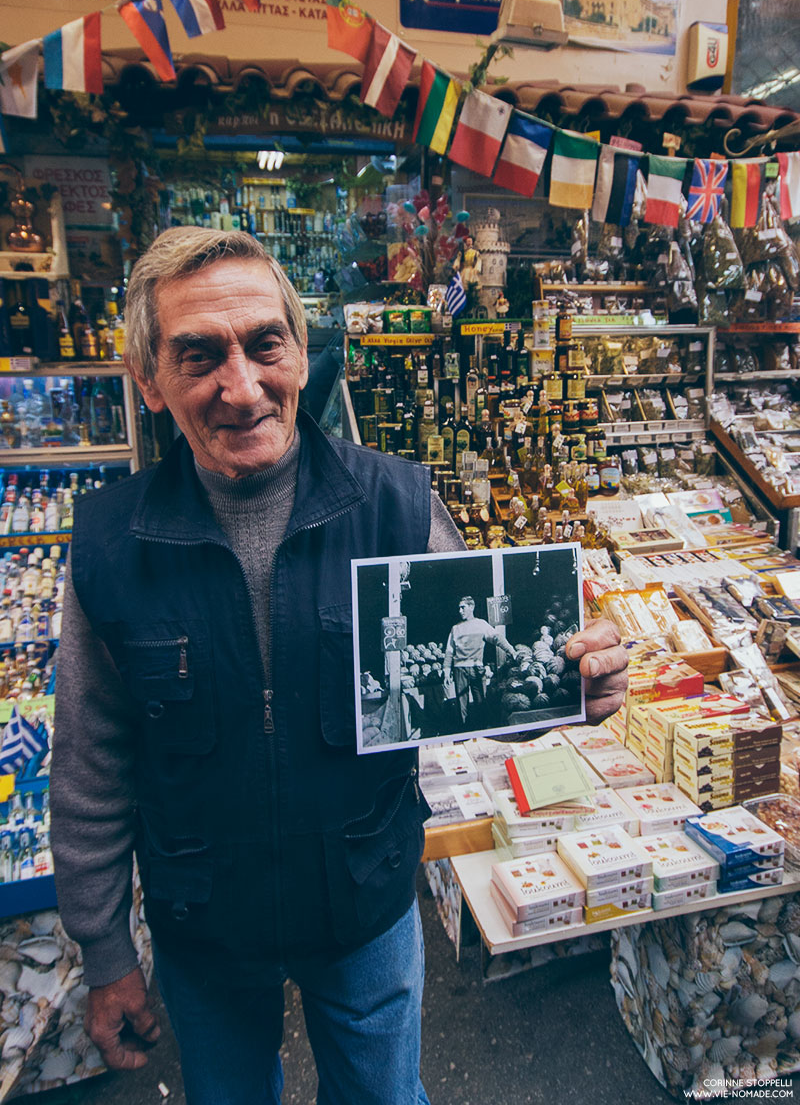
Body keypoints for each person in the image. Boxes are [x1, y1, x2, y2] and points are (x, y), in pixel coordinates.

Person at [50, 227, 629, 1105]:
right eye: (199, 356)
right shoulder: (108, 545)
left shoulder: (397, 501)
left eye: (264, 345)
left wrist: (565, 688)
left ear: (301, 349)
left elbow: (462, 686)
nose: (240, 388)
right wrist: (105, 955)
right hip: (205, 926)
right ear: (149, 382)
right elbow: (91, 771)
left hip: (365, 907)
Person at [443, 596, 516, 722]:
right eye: (459, 608)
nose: (460, 611)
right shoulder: (455, 628)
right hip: (459, 669)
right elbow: (449, 651)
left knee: (481, 701)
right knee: (462, 704)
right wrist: (446, 671)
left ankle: (482, 729)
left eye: (463, 607)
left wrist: (511, 650)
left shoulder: (481, 624)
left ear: (472, 607)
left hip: (477, 668)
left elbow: (496, 638)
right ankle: (464, 730)